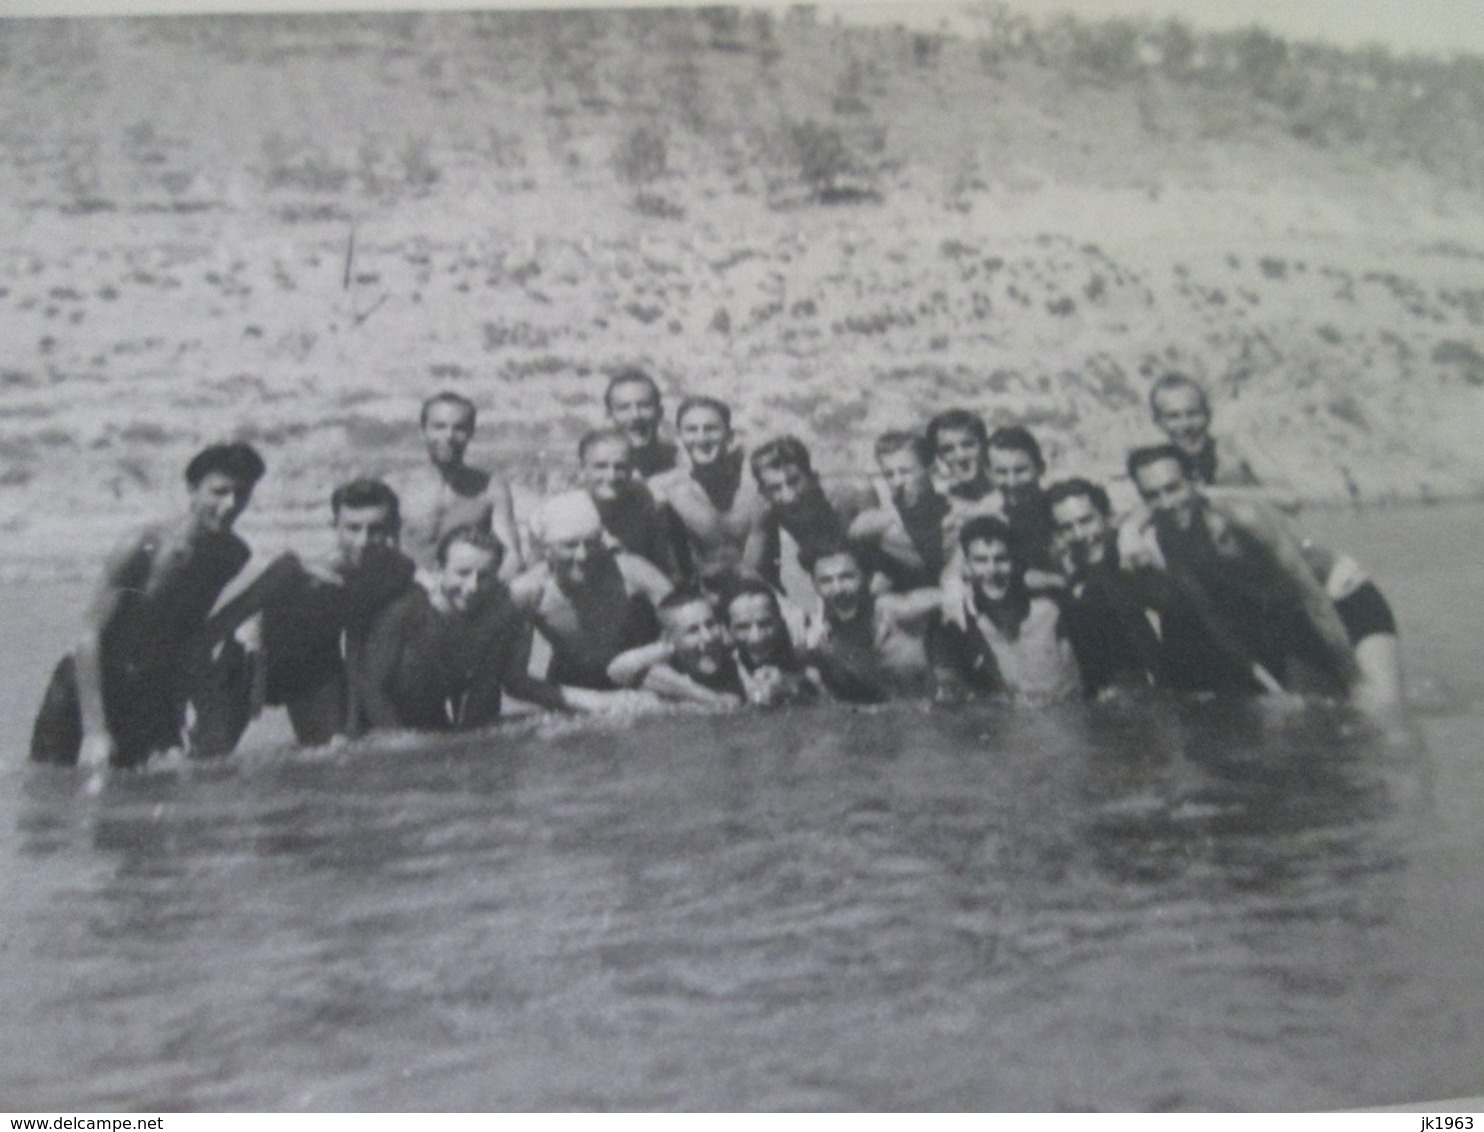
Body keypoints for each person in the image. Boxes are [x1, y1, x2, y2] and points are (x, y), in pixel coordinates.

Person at [1149, 374, 1403, 715]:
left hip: (1335, 593)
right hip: (1285, 609)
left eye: (1192, 413)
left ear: (1207, 415)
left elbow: (1291, 499)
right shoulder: (1166, 478)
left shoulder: (1234, 453)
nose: (1185, 425)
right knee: (1324, 721)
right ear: (1158, 421)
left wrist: (1207, 494)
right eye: (1173, 416)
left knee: (1382, 714)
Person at [30, 442, 266, 768]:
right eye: (219, 492)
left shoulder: (233, 554)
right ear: (192, 489)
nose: (230, 505)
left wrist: (196, 704)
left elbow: (190, 631)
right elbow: (88, 635)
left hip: (150, 689)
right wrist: (95, 731)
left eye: (242, 494)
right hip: (91, 684)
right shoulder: (144, 546)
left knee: (145, 797)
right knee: (52, 791)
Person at [1125, 445, 1358, 696]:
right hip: (1291, 617)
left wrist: (1354, 676)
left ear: (1194, 481)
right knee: (1297, 714)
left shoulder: (1244, 518)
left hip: (1341, 595)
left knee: (1376, 707)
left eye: (1173, 488)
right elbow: (1213, 618)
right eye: (1153, 495)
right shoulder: (1168, 539)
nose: (1166, 503)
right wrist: (1268, 684)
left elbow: (1312, 596)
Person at [1045, 478, 1260, 697]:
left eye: (1086, 521)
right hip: (1129, 700)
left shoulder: (1135, 555)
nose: (1080, 534)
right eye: (1068, 528)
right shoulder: (1076, 577)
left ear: (1107, 517)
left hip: (1191, 689)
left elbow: (1205, 616)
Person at [358, 526, 586, 732]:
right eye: (462, 573)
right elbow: (370, 687)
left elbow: (487, 695)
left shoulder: (495, 614)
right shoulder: (405, 612)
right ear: (439, 570)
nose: (473, 586)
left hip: (433, 722)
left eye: (485, 576)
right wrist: (398, 740)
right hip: (378, 724)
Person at [510, 491, 673, 689]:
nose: (582, 555)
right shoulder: (529, 592)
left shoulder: (629, 572)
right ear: (546, 549)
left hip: (640, 676)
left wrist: (641, 658)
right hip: (575, 685)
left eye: (591, 543)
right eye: (569, 546)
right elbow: (512, 678)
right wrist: (587, 702)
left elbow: (690, 618)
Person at [934, 516, 1080, 701]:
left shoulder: (1050, 611)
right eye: (980, 560)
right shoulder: (957, 625)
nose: (992, 570)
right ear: (967, 568)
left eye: (1001, 559)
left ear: (1015, 563)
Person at [397, 391, 524, 581]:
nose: (449, 436)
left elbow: (512, 556)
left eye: (459, 428)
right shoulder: (399, 487)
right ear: (423, 431)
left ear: (471, 432)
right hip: (409, 590)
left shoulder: (491, 487)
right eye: (439, 427)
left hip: (469, 592)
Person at [649, 395, 770, 586]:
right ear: (680, 438)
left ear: (729, 435)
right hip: (695, 592)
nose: (701, 438)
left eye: (711, 429)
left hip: (754, 590)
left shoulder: (753, 488)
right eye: (691, 430)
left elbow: (756, 564)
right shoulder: (664, 489)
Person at [802, 543, 943, 703]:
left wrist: (955, 586)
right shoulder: (821, 638)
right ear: (814, 585)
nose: (838, 589)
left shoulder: (894, 610)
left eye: (847, 577)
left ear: (866, 577)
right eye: (826, 581)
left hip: (931, 709)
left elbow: (948, 597)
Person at [748, 435, 867, 596]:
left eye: (794, 481)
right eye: (776, 488)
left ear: (813, 477)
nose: (789, 496)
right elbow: (753, 571)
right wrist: (783, 604)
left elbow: (882, 563)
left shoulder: (845, 497)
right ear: (764, 493)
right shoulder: (764, 509)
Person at [608, 588, 747, 710]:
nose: (708, 637)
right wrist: (709, 698)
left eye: (710, 625)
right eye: (693, 631)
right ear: (669, 639)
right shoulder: (659, 684)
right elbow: (616, 671)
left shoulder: (737, 660)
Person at [848, 431, 954, 592]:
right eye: (889, 474)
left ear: (931, 470)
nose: (897, 482)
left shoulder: (956, 517)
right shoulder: (876, 527)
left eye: (905, 472)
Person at [578, 428, 679, 578]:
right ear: (582, 469)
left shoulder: (646, 507)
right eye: (601, 466)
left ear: (631, 469)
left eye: (620, 467)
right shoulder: (568, 511)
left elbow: (665, 569)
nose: (611, 476)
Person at [722, 578, 818, 706]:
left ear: (780, 623)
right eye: (743, 627)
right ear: (727, 631)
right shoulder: (720, 672)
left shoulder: (807, 663)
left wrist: (790, 685)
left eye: (765, 624)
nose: (756, 637)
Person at [985, 425, 1059, 579]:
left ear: (1040, 468)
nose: (1012, 482)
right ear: (989, 474)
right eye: (1002, 472)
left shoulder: (1057, 512)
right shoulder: (991, 519)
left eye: (1020, 471)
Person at [604, 368, 678, 480]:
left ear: (660, 412)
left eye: (644, 406)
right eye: (624, 408)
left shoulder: (681, 465)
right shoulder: (598, 474)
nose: (635, 415)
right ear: (609, 416)